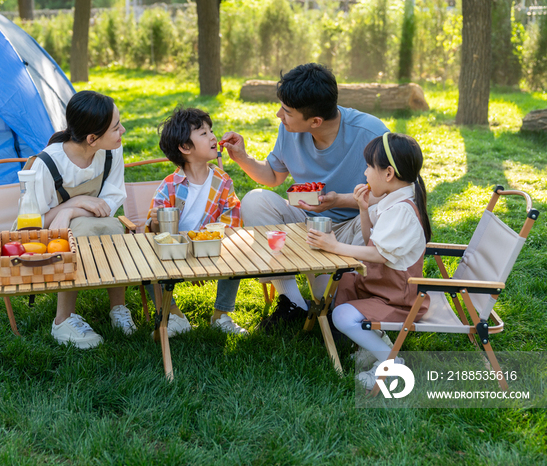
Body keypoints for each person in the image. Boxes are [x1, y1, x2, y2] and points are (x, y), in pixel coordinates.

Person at [219, 62, 389, 331]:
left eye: (286, 112)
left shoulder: (371, 133)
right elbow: (273, 176)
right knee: (255, 200)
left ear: (315, 121)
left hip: (353, 227)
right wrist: (242, 157)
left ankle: (345, 299)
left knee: (331, 303)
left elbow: (396, 195)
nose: (279, 115)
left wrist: (340, 200)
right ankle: (292, 301)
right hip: (305, 222)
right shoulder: (290, 130)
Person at [307, 132, 432, 390]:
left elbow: (378, 255)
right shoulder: (393, 200)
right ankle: (375, 345)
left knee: (341, 315)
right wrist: (364, 209)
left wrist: (335, 246)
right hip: (382, 285)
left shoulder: (401, 211)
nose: (365, 174)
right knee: (342, 282)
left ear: (388, 174)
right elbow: (371, 240)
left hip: (397, 296)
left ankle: (391, 362)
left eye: (368, 167)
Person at [24, 90, 137, 349]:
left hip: (91, 222)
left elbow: (109, 203)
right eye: (116, 128)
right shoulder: (47, 163)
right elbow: (32, 222)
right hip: (46, 240)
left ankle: (118, 308)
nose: (123, 131)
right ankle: (62, 320)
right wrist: (73, 204)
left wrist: (70, 210)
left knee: (111, 225)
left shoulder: (111, 152)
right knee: (81, 230)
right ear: (92, 139)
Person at [145, 107, 247, 336]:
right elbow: (155, 230)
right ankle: (174, 316)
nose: (212, 136)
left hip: (213, 247)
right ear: (185, 147)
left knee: (238, 249)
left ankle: (221, 314)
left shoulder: (223, 182)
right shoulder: (170, 185)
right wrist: (155, 223)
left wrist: (204, 251)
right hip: (175, 251)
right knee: (146, 262)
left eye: (211, 131)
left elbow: (232, 220)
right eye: (203, 133)